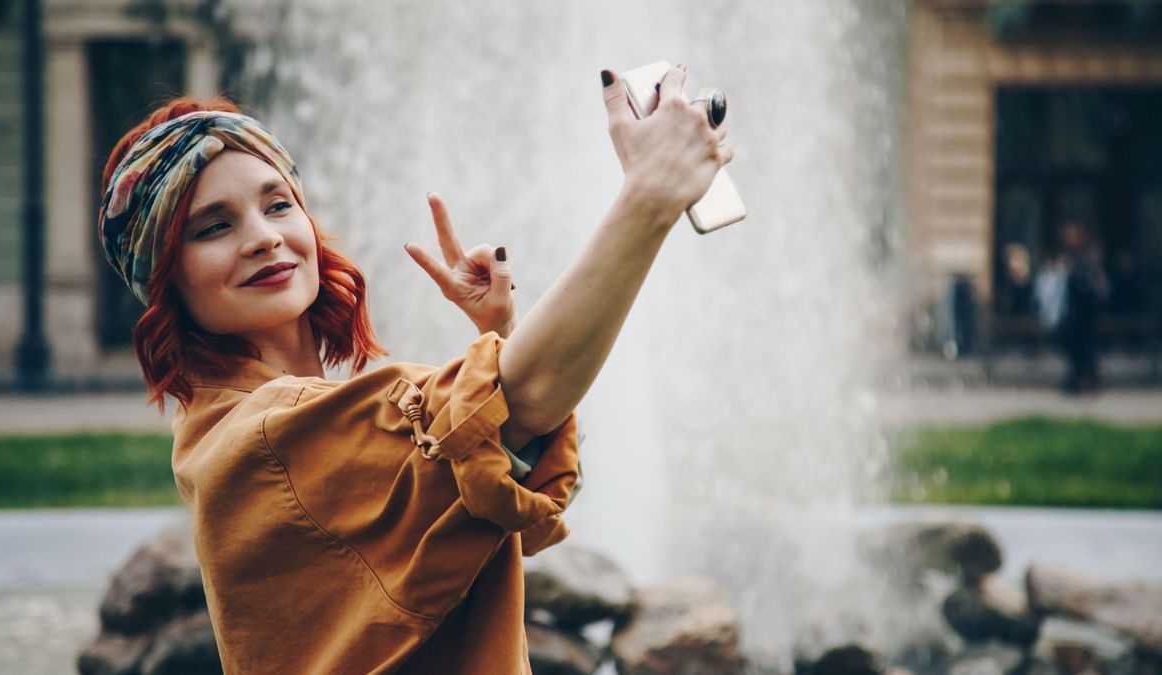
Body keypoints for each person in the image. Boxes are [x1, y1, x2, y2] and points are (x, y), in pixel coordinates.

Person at [96, 65, 731, 673]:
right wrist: (648, 198)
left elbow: (517, 477)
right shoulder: (264, 437)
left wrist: (502, 337)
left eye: (279, 204)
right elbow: (525, 401)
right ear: (164, 281)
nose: (263, 236)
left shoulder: (275, 425)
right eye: (213, 226)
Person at [1057, 221, 1107, 394]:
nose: (1067, 239)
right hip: (1077, 315)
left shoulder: (1086, 257)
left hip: (1084, 315)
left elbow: (1091, 286)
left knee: (1085, 350)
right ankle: (1081, 381)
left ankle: (1086, 381)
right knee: (1079, 351)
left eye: (1070, 236)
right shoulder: (1077, 257)